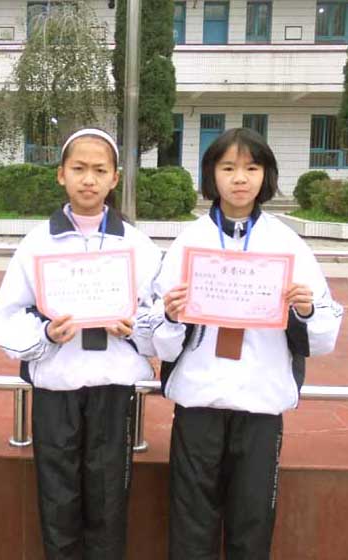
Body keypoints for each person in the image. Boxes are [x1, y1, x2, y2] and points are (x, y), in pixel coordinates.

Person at [150, 127, 343, 560]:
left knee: (252, 525)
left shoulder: (287, 244)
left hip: (260, 405)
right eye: (228, 168)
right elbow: (157, 338)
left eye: (251, 168)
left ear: (266, 175)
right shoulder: (188, 243)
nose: (240, 178)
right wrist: (171, 315)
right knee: (191, 524)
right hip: (198, 404)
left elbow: (323, 335)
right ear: (211, 175)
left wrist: (305, 310)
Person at [0, 128, 162, 559]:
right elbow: (7, 315)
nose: (89, 179)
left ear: (115, 178)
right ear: (60, 174)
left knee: (109, 497)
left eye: (100, 170)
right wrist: (45, 334)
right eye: (79, 168)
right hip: (56, 386)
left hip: (113, 387)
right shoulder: (37, 243)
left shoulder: (138, 245)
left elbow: (161, 315)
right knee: (58, 496)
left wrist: (134, 327)